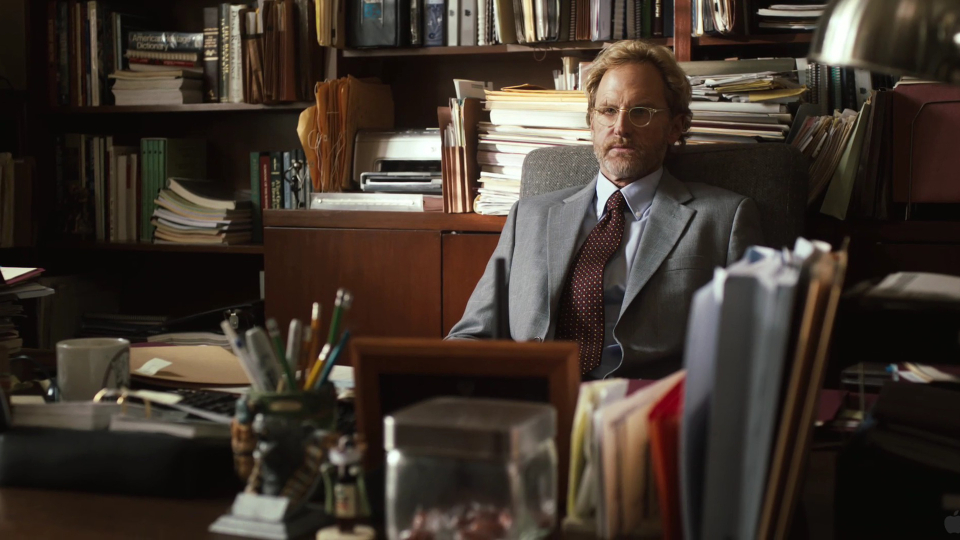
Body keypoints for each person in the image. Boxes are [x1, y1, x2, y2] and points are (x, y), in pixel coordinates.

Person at [447, 40, 763, 379]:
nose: (621, 128)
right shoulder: (529, 216)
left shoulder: (724, 219)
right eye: (608, 111)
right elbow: (471, 335)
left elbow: (748, 354)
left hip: (645, 402)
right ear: (591, 121)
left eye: (641, 112)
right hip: (533, 397)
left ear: (675, 127)